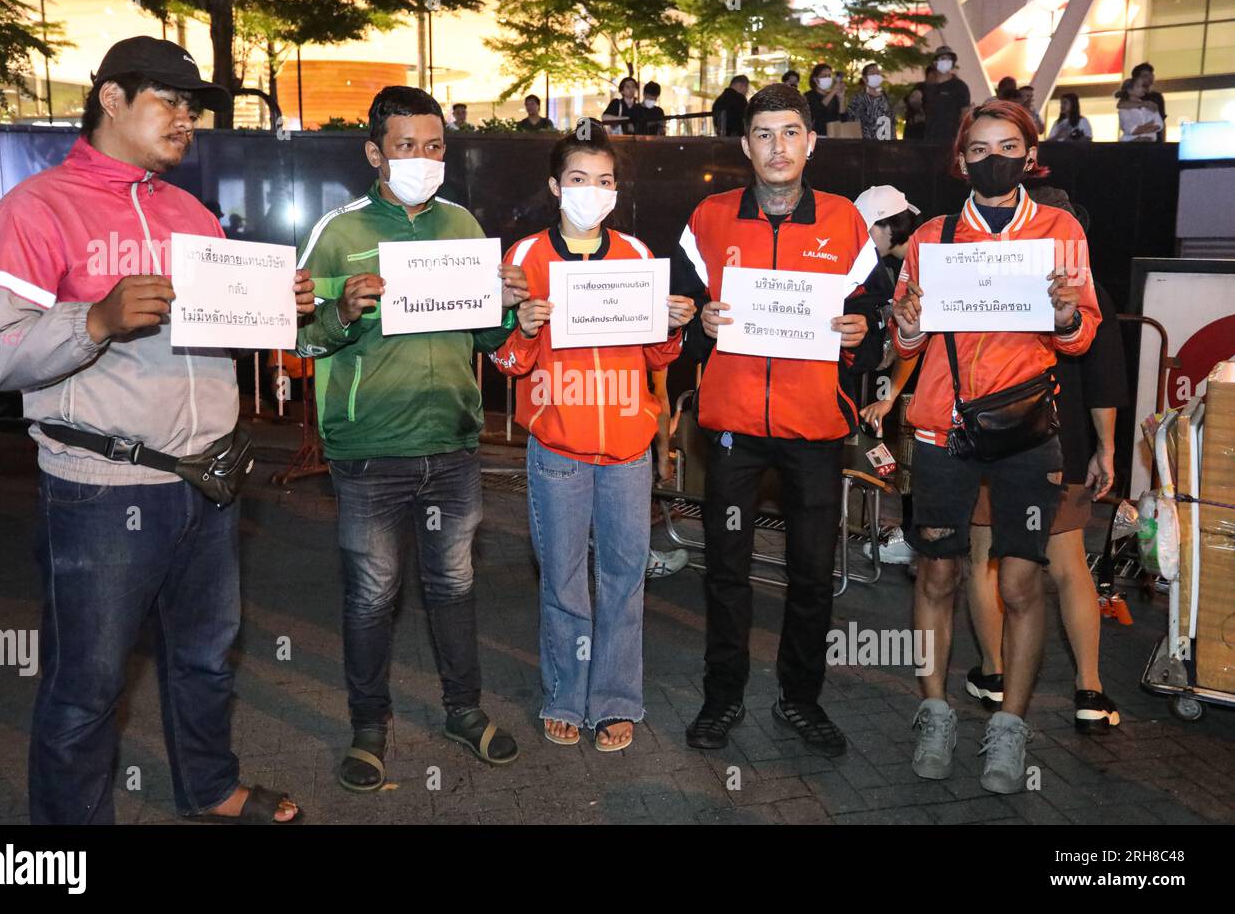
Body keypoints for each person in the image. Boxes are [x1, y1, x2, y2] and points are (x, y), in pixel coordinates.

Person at [0, 36, 314, 825]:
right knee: (84, 688)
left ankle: (212, 788)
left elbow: (216, 333)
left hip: (212, 482)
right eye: (168, 99)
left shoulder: (189, 211)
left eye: (193, 106)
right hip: (103, 490)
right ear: (110, 98)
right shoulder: (35, 209)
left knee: (205, 658)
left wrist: (281, 306)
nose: (187, 118)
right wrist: (94, 321)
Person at [292, 85, 529, 794]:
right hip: (369, 448)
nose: (422, 158)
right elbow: (300, 337)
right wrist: (342, 309)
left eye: (433, 146)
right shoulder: (338, 232)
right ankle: (370, 725)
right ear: (375, 153)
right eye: (405, 146)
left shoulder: (462, 226)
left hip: (454, 442)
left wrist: (510, 309)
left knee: (454, 585)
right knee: (371, 593)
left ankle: (465, 710)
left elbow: (484, 336)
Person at [891, 99, 1102, 794]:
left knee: (1020, 582)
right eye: (978, 149)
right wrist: (910, 325)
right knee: (939, 576)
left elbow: (1081, 334)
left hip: (1024, 432)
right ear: (961, 159)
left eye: (1006, 146)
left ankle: (1010, 726)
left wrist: (1068, 315)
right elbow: (905, 341)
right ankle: (933, 710)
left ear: (1029, 153)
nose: (992, 160)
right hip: (942, 429)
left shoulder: (1059, 229)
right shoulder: (931, 236)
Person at [676, 83, 880, 756]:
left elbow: (873, 316)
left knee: (812, 574)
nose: (777, 146)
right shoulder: (706, 218)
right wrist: (700, 326)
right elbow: (678, 314)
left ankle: (801, 699)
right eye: (763, 134)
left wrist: (861, 329)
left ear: (811, 141)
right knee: (727, 570)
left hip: (817, 429)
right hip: (732, 428)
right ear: (745, 145)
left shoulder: (846, 222)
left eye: (790, 132)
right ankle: (722, 695)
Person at [491, 120, 695, 752]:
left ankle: (614, 699)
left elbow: (658, 356)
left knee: (625, 576)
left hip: (629, 448)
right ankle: (564, 694)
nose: (592, 190)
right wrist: (522, 328)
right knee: (561, 578)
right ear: (556, 186)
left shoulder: (636, 255)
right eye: (579, 179)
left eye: (604, 181)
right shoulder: (524, 258)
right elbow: (504, 363)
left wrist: (673, 325)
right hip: (558, 448)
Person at [966, 274, 1127, 734]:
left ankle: (993, 675)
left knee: (985, 558)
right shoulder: (1088, 290)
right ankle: (1089, 693)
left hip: (989, 436)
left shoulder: (989, 274)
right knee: (1069, 565)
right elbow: (1103, 379)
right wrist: (1106, 448)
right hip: (1061, 442)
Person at [852, 185, 921, 568]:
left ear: (885, 226)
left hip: (925, 382)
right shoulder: (896, 262)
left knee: (916, 459)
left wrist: (892, 392)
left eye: (866, 232)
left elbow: (915, 340)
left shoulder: (919, 264)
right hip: (908, 376)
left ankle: (916, 539)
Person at [923, 46, 972, 144]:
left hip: (951, 141)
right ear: (935, 63)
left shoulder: (959, 86)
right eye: (943, 59)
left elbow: (965, 115)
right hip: (929, 140)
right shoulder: (928, 88)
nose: (946, 62)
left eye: (949, 59)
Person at [846, 63, 895, 140]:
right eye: (873, 73)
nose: (876, 75)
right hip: (866, 145)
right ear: (865, 78)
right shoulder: (859, 98)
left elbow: (891, 122)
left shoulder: (886, 98)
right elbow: (851, 121)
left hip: (886, 144)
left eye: (878, 73)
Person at [804, 62, 846, 136]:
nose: (827, 78)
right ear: (815, 79)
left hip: (834, 135)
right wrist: (833, 91)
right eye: (824, 76)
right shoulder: (809, 96)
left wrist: (841, 98)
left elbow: (843, 118)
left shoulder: (834, 96)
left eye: (829, 76)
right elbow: (817, 111)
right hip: (817, 137)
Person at [1117, 76, 1163, 142]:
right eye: (1139, 86)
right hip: (1130, 145)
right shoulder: (1123, 109)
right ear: (1130, 90)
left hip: (1150, 144)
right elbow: (1131, 130)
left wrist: (1141, 129)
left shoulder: (1150, 105)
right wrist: (1149, 125)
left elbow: (1159, 124)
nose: (1143, 88)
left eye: (1143, 86)